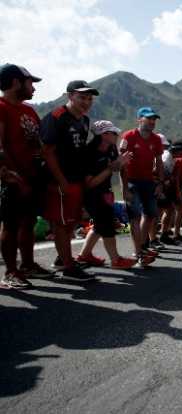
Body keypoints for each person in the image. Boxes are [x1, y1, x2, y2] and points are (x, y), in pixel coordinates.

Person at [40, 80, 100, 282]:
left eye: (89, 98)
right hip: (60, 181)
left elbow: (80, 151)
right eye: (82, 97)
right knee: (61, 224)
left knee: (70, 223)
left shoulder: (84, 120)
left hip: (76, 180)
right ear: (70, 96)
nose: (86, 102)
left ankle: (62, 260)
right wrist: (61, 181)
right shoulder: (56, 117)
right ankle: (68, 268)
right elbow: (47, 152)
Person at [0, 64, 54, 288]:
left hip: (33, 177)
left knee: (29, 222)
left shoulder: (29, 110)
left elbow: (38, 142)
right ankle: (10, 272)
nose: (33, 87)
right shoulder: (1, 107)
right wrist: (13, 175)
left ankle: (28, 265)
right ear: (15, 82)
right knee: (11, 225)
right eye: (30, 82)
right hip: (13, 178)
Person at [75, 120, 136, 269]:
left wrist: (120, 164)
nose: (117, 135)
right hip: (92, 195)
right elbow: (89, 183)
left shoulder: (112, 148)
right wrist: (112, 168)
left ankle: (84, 255)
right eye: (114, 133)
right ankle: (116, 260)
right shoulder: (90, 153)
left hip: (105, 192)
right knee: (107, 225)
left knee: (99, 225)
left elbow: (115, 166)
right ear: (104, 135)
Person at [119, 107, 164, 266]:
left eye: (154, 119)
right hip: (132, 181)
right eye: (148, 118)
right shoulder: (129, 136)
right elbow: (122, 164)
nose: (152, 122)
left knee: (151, 214)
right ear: (139, 119)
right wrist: (124, 188)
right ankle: (138, 252)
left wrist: (159, 183)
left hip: (149, 182)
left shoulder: (156, 139)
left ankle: (143, 245)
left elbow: (159, 162)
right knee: (135, 217)